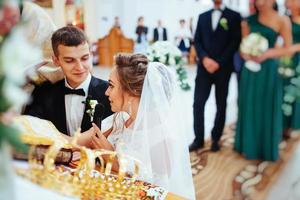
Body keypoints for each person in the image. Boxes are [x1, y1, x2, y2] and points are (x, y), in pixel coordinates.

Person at [81, 53, 195, 199]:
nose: (106, 92)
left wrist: (110, 155)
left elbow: (154, 193)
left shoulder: (163, 140)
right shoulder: (120, 117)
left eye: (111, 85)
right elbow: (79, 140)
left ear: (132, 90)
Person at [23, 26, 113, 136]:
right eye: (70, 61)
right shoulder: (43, 92)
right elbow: (30, 127)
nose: (79, 67)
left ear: (91, 55)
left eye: (85, 58)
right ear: (56, 60)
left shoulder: (109, 92)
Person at [234, 0, 292, 161]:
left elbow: (288, 48)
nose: (259, 2)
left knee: (266, 106)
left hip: (269, 71)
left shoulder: (282, 20)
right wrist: (246, 54)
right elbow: (242, 47)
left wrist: (266, 54)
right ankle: (247, 145)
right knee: (249, 105)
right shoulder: (248, 21)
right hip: (250, 71)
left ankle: (265, 147)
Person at [189, 0, 241, 152]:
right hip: (203, 68)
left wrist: (218, 62)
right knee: (198, 104)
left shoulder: (234, 16)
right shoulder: (203, 16)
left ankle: (216, 139)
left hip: (223, 68)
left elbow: (235, 41)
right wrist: (205, 59)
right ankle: (198, 139)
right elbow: (197, 40)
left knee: (221, 104)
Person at [284, 0, 300, 131]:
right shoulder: (285, 19)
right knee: (285, 87)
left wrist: (294, 48)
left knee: (296, 88)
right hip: (285, 58)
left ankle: (294, 122)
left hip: (298, 58)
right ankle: (283, 122)